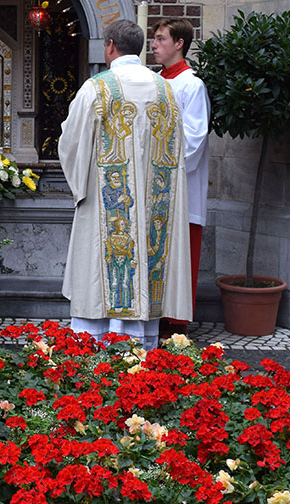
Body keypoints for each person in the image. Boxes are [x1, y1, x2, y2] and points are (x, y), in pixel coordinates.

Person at [58, 19, 192, 349]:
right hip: (151, 207)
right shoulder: (166, 90)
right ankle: (138, 354)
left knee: (98, 279)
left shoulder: (97, 88)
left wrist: (80, 186)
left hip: (106, 204)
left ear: (110, 46)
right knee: (144, 269)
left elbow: (71, 142)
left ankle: (92, 358)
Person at [151, 18, 210, 333]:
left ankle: (175, 323)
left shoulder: (192, 84)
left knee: (180, 255)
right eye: (155, 39)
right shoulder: (155, 82)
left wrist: (164, 168)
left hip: (180, 187)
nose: (154, 45)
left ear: (179, 44)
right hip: (154, 186)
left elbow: (194, 137)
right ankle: (156, 313)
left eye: (161, 39)